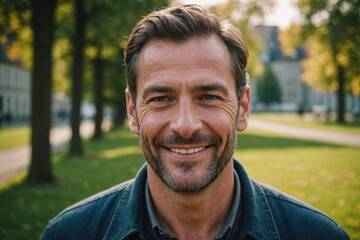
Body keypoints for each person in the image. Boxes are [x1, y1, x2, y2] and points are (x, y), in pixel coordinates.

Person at [40, 4, 349, 240]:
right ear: (133, 112)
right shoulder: (69, 233)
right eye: (161, 98)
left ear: (242, 108)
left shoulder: (318, 234)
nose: (185, 126)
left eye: (209, 96)